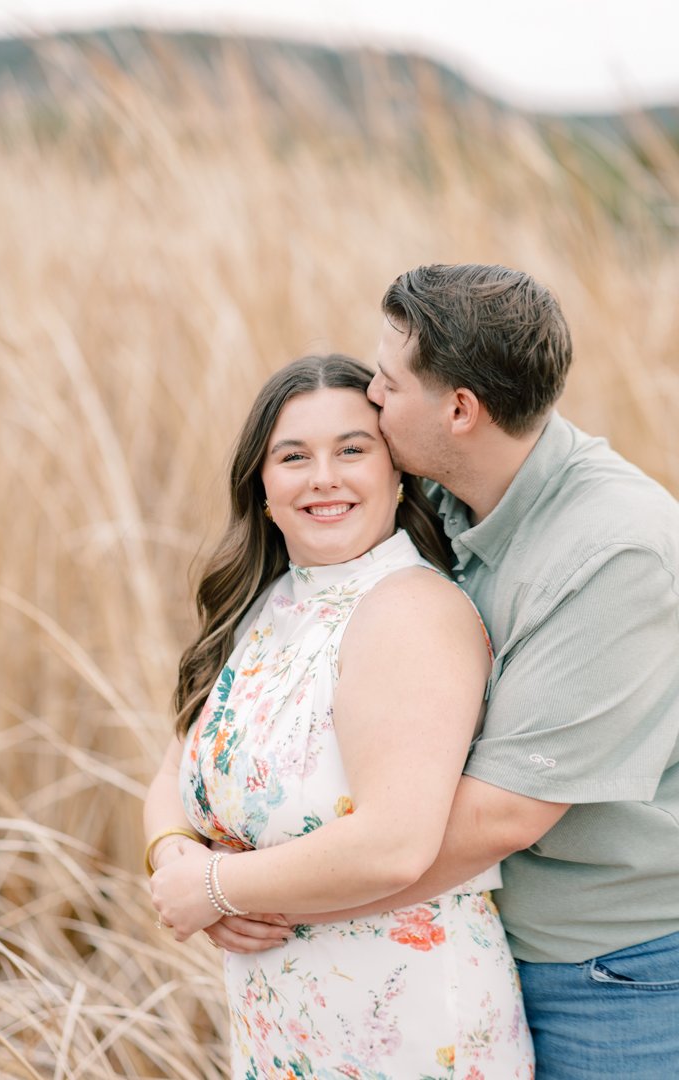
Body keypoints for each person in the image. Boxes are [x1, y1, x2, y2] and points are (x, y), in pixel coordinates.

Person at [212, 264, 678, 1079]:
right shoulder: (451, 499)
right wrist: (186, 856)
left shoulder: (618, 552)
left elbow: (500, 816)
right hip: (482, 943)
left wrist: (240, 891)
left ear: (460, 410)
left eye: (389, 383)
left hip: (611, 973)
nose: (373, 396)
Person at [144, 353, 535, 1078]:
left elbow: (395, 844)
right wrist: (174, 858)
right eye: (294, 456)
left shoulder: (410, 611)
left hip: (409, 1026)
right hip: (284, 1029)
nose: (323, 477)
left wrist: (217, 889)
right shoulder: (267, 604)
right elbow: (177, 764)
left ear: (397, 472)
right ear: (262, 487)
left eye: (352, 450)